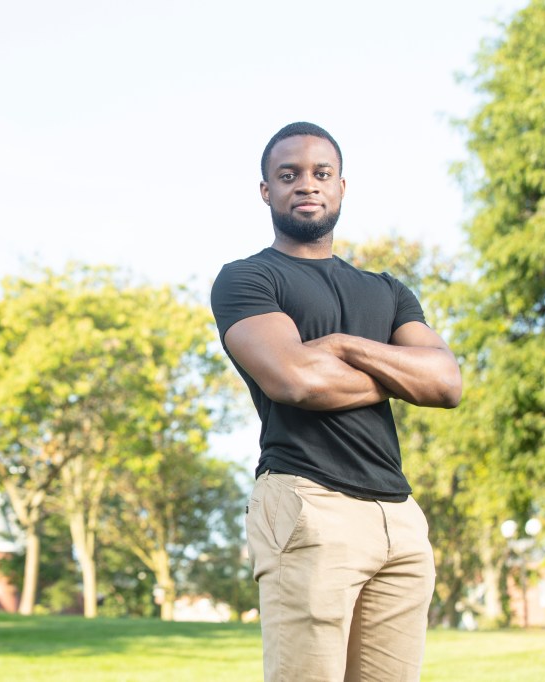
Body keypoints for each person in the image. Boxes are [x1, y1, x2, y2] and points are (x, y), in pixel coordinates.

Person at [210, 122, 462, 682]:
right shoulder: (248, 279)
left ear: (342, 187)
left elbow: (445, 384)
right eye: (289, 175)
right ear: (265, 191)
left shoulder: (388, 290)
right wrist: (399, 375)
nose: (307, 184)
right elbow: (296, 381)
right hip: (307, 500)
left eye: (321, 174)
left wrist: (344, 346)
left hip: (399, 515)